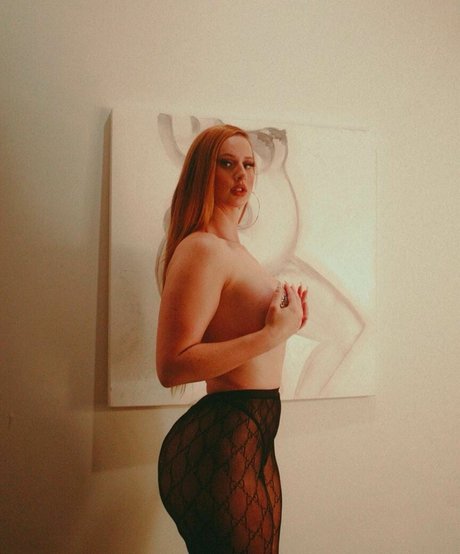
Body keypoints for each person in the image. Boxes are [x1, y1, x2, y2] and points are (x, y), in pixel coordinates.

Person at [156, 124, 308, 554]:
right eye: (227, 163)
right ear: (203, 172)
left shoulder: (237, 252)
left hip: (252, 437)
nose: (241, 174)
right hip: (222, 439)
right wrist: (271, 334)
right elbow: (171, 366)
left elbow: (246, 337)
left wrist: (288, 326)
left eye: (249, 164)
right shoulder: (201, 249)